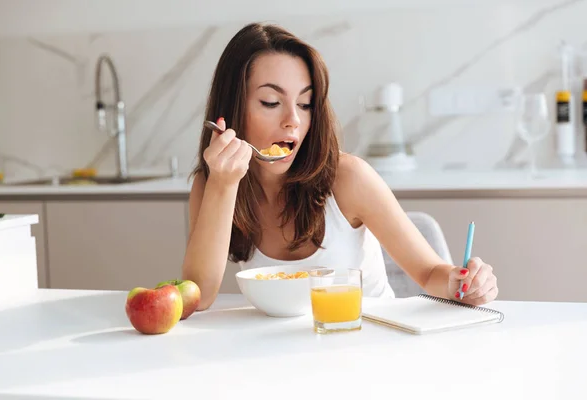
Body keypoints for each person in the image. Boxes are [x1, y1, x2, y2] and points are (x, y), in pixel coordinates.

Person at [182, 22, 499, 311]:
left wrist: (465, 284)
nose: (293, 119)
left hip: (367, 343)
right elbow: (201, 295)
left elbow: (430, 273)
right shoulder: (212, 184)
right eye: (271, 102)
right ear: (231, 111)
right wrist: (223, 186)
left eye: (305, 104)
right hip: (280, 355)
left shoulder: (348, 178)